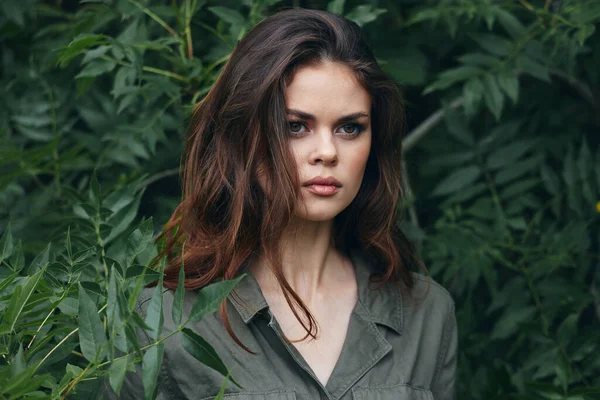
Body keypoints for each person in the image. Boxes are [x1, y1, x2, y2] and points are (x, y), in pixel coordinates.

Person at [103, 7, 457, 400]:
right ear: (242, 135)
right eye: (295, 126)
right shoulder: (159, 320)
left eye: (349, 127)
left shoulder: (427, 311)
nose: (327, 152)